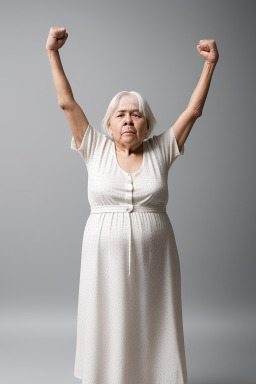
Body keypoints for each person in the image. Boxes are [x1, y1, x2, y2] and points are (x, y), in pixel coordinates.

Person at [46, 27, 219, 384]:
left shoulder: (163, 148)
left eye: (136, 115)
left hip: (156, 258)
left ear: (147, 125)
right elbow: (66, 102)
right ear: (108, 125)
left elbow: (195, 110)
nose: (128, 119)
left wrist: (210, 65)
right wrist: (53, 52)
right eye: (121, 114)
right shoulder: (93, 146)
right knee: (106, 323)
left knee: (154, 322)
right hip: (102, 258)